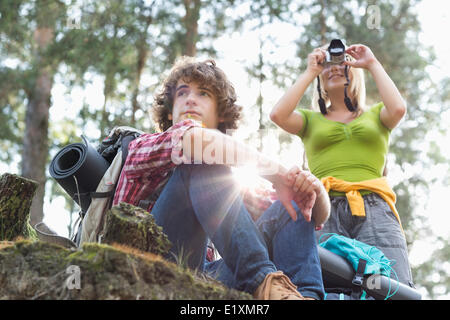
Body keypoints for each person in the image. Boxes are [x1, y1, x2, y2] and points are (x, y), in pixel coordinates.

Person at [113, 56, 330, 300]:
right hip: (144, 269)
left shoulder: (225, 182)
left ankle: (303, 296)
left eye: (203, 93)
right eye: (182, 93)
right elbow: (198, 142)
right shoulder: (143, 147)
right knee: (198, 157)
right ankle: (265, 283)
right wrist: (278, 174)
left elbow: (307, 213)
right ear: (170, 114)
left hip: (205, 275)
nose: (191, 99)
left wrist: (312, 189)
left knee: (287, 206)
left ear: (221, 115)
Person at [270, 41, 414, 288]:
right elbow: (278, 115)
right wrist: (310, 71)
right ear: (320, 80)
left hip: (374, 206)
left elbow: (399, 108)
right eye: (326, 65)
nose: (332, 68)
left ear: (353, 70)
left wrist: (371, 63)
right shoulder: (310, 120)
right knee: (323, 282)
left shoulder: (377, 115)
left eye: (339, 62)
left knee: (391, 284)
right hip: (324, 208)